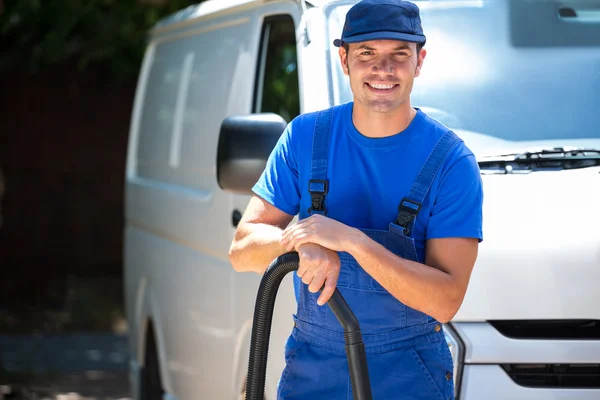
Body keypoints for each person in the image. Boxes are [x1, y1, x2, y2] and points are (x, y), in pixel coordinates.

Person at [229, 0, 484, 398]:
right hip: (313, 370)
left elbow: (445, 301)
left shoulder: (451, 162)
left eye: (399, 54)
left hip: (408, 373)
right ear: (344, 59)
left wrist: (353, 242)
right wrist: (301, 246)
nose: (383, 69)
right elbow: (242, 248)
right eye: (367, 53)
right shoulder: (305, 138)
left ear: (419, 61)